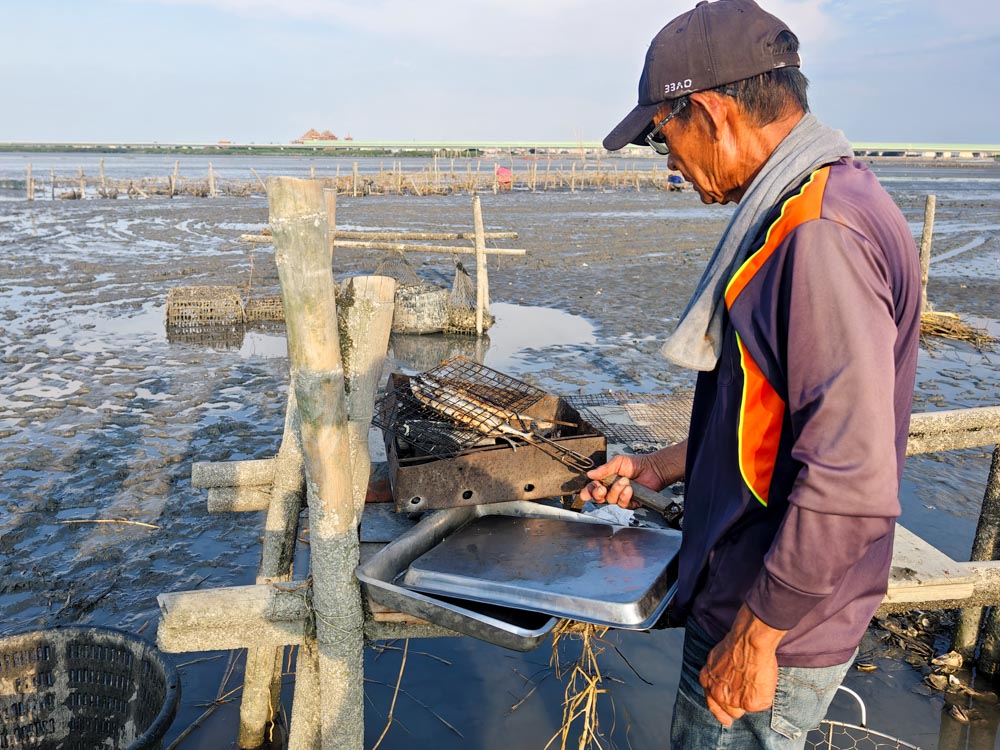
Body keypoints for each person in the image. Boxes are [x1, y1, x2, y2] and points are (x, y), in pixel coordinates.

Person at [582, 1, 921, 747]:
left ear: (708, 110)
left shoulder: (817, 236)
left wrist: (759, 637)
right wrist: (666, 466)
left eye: (660, 134)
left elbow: (852, 478)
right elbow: (778, 422)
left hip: (769, 613)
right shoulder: (820, 200)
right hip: (763, 596)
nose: (665, 158)